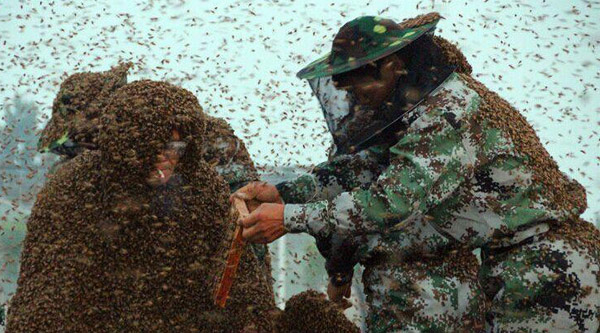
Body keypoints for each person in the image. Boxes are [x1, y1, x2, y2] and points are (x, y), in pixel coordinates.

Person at [233, 12, 600, 332]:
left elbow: (390, 201)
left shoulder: (445, 113)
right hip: (512, 265)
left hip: (549, 268)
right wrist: (285, 192)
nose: (356, 96)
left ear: (394, 65)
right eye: (347, 87)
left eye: (361, 81)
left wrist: (290, 218)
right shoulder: (410, 116)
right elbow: (365, 168)